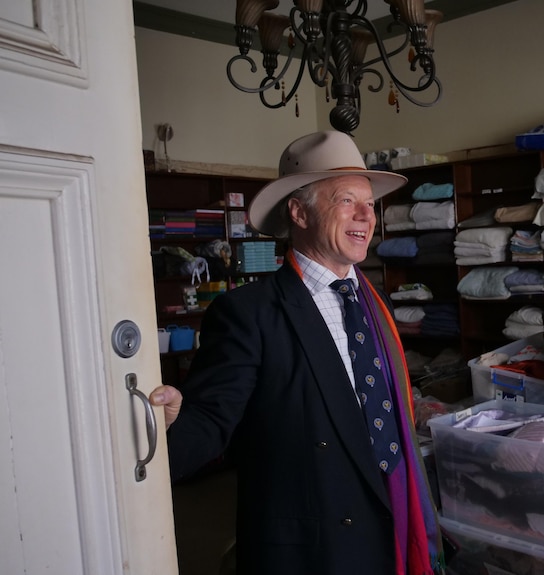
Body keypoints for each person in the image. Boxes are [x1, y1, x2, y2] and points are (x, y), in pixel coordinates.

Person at [149, 131, 445, 574]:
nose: (368, 215)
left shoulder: (371, 301)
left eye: (370, 203)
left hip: (389, 512)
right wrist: (168, 430)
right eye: (348, 200)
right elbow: (212, 419)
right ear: (298, 211)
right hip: (314, 546)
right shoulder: (246, 313)